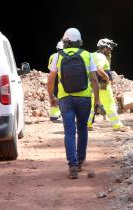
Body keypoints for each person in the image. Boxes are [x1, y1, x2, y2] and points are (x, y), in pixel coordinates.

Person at [46, 27, 101, 179]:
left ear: (65, 42)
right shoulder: (88, 55)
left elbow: (51, 80)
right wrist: (97, 100)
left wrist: (51, 96)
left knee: (69, 132)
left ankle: (73, 166)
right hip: (84, 98)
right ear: (79, 42)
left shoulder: (58, 56)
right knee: (82, 128)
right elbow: (95, 80)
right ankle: (81, 160)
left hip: (65, 99)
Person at [88, 38, 125, 131]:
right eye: (109, 48)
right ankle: (117, 126)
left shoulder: (91, 55)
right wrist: (107, 77)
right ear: (104, 48)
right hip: (102, 84)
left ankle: (87, 125)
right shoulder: (101, 56)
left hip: (92, 84)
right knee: (109, 104)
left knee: (92, 105)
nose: (110, 50)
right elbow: (99, 69)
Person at [47, 41, 63, 122]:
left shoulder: (53, 56)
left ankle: (55, 113)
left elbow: (50, 68)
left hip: (55, 77)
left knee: (56, 93)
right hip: (63, 77)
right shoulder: (67, 55)